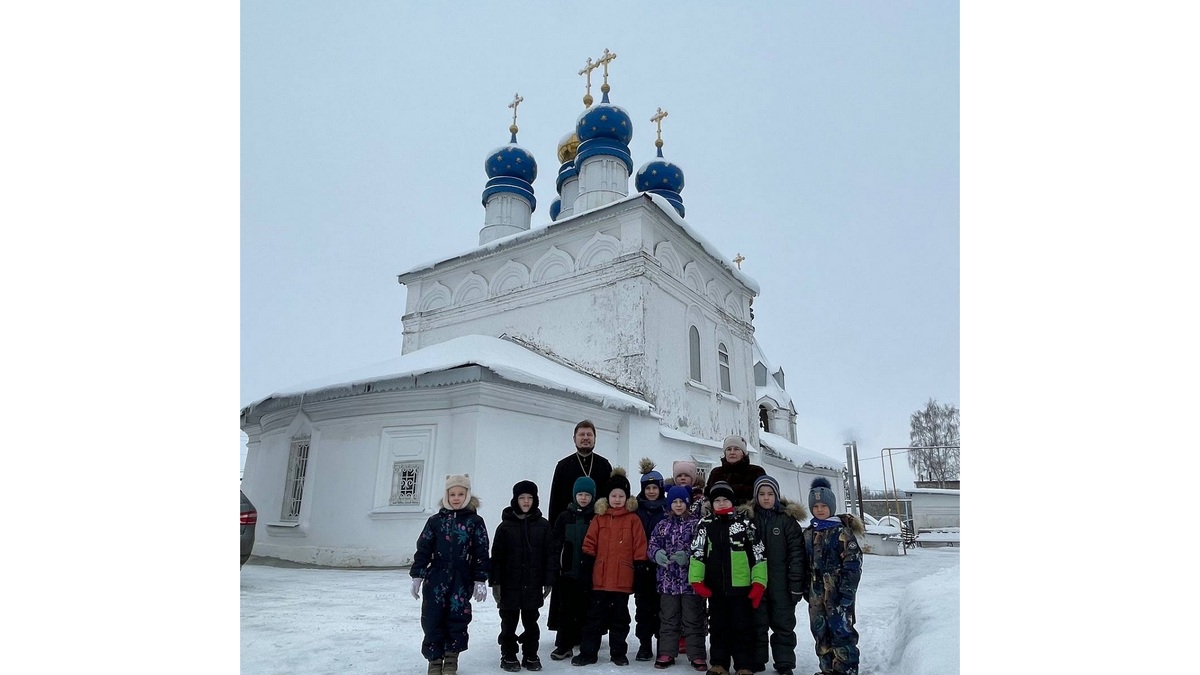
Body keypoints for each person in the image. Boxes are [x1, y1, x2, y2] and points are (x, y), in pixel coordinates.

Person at [411, 474, 491, 675]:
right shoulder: (435, 521)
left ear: (467, 495)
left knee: (457, 617)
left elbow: (481, 550)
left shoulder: (475, 521)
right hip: (436, 576)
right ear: (446, 495)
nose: (456, 498)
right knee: (432, 617)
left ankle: (451, 658)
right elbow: (424, 548)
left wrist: (480, 578)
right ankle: (434, 659)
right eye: (452, 494)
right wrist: (418, 575)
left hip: (461, 578)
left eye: (460, 494)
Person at [688, 481, 766, 675]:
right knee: (718, 627)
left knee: (743, 627)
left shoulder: (744, 524)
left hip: (741, 589)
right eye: (717, 500)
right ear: (712, 503)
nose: (721, 503)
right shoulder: (705, 524)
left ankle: (744, 665)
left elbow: (758, 554)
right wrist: (696, 580)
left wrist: (758, 582)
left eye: (725, 499)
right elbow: (697, 553)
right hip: (716, 589)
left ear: (732, 501)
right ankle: (719, 663)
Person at [572, 469, 649, 667]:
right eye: (613, 496)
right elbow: (589, 543)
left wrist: (640, 570)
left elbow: (640, 547)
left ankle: (618, 653)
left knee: (620, 619)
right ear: (608, 497)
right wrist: (586, 567)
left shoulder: (633, 520)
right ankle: (588, 653)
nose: (617, 500)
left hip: (622, 579)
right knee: (594, 618)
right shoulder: (599, 518)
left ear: (627, 498)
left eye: (621, 496)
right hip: (600, 578)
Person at [491, 480, 556, 672]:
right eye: (522, 498)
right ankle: (508, 654)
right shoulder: (505, 527)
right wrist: (495, 582)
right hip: (509, 585)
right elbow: (496, 558)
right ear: (515, 500)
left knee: (531, 622)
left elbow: (550, 555)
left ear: (535, 499)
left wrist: (548, 581)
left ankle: (530, 654)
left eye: (529, 498)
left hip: (533, 583)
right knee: (508, 623)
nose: (526, 501)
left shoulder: (543, 526)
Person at [802, 477, 863, 675]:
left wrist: (847, 590)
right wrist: (806, 588)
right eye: (816, 506)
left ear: (832, 507)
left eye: (824, 506)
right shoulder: (808, 534)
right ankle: (827, 669)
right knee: (820, 633)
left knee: (841, 631)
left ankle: (845, 669)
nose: (819, 509)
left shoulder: (842, 532)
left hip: (838, 594)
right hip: (816, 595)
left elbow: (853, 564)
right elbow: (803, 564)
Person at [748, 475, 807, 675]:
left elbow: (797, 555)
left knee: (784, 624)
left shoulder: (787, 521)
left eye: (770, 494)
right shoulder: (749, 520)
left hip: (781, 584)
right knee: (757, 623)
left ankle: (784, 662)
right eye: (761, 494)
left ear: (776, 495)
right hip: (756, 583)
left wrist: (796, 584)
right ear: (756, 497)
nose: (766, 498)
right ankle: (757, 660)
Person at [648, 485, 708, 672]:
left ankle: (697, 654)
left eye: (682, 501)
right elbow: (652, 544)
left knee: (693, 619)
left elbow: (703, 547)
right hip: (667, 582)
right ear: (669, 504)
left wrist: (689, 556)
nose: (679, 505)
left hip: (690, 583)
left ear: (688, 503)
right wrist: (656, 553)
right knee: (668, 618)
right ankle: (667, 652)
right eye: (675, 501)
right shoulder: (662, 525)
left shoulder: (696, 524)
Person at [547, 476, 597, 662]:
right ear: (574, 495)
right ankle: (564, 645)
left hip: (589, 572)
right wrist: (555, 567)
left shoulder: (596, 517)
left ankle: (586, 644)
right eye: (580, 494)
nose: (583, 498)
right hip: (567, 572)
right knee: (566, 610)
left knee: (587, 609)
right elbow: (555, 544)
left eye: (587, 495)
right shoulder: (564, 516)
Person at [548, 420, 615, 527]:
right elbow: (555, 503)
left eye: (589, 434)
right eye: (581, 434)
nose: (585, 438)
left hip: (598, 525)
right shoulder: (563, 466)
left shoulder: (604, 465)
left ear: (595, 438)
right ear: (574, 439)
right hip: (569, 527)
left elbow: (611, 499)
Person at [634, 459, 669, 661]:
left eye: (655, 488)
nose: (652, 491)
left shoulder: (667, 509)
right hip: (642, 566)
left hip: (663, 567)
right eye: (648, 488)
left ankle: (663, 644)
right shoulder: (636, 509)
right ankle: (644, 644)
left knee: (663, 608)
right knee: (644, 608)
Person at [706, 435, 766, 507]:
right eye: (729, 449)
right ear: (725, 453)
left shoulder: (756, 472)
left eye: (736, 449)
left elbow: (764, 495)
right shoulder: (716, 473)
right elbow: (708, 496)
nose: (732, 452)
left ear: (743, 453)